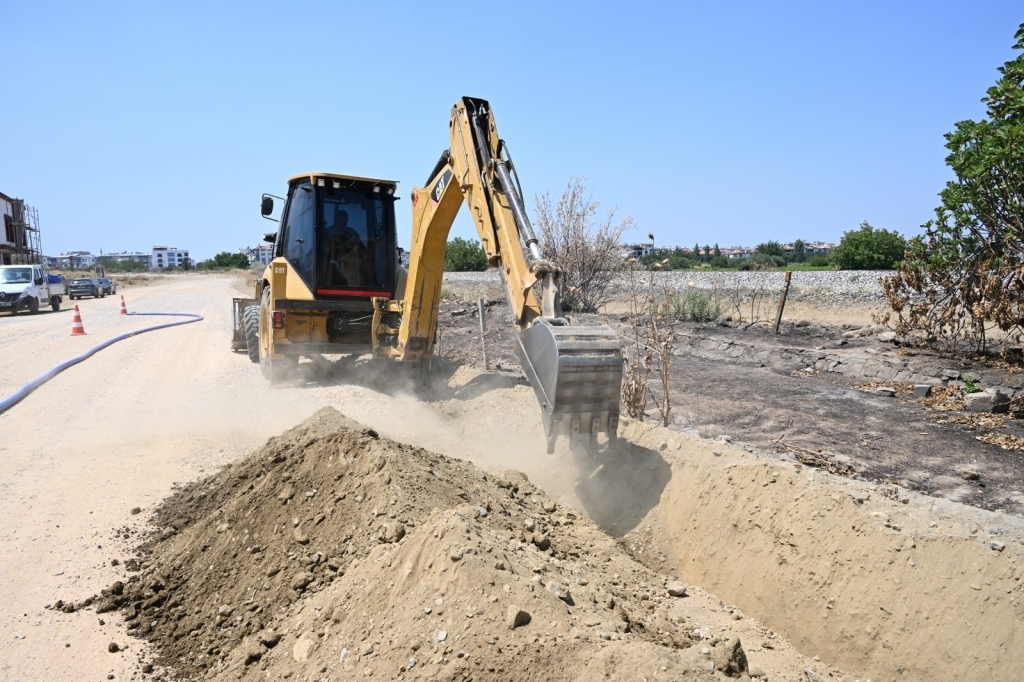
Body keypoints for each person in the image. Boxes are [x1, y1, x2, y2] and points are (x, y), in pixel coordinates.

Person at [326, 208, 365, 286]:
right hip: (331, 262)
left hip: (349, 263)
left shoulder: (352, 232)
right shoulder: (328, 232)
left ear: (347, 221)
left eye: (344, 220)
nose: (342, 222)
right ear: (335, 220)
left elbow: (361, 247)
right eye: (340, 220)